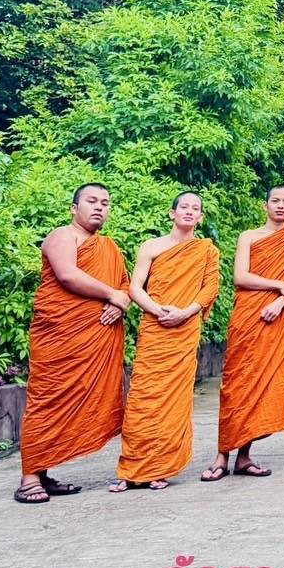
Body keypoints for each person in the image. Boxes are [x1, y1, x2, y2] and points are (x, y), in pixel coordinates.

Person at [15, 184, 130, 504]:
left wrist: (119, 302)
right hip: (60, 335)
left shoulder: (109, 247)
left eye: (105, 203)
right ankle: (28, 478)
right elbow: (67, 275)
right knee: (48, 399)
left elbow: (123, 284)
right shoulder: (62, 236)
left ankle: (44, 473)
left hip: (95, 335)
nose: (99, 207)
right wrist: (111, 295)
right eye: (92, 201)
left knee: (79, 401)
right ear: (73, 208)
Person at [109, 191, 219, 492]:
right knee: (143, 398)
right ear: (172, 213)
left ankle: (160, 468)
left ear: (200, 217)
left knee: (174, 400)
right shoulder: (152, 246)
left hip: (185, 329)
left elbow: (210, 287)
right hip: (156, 327)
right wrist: (158, 310)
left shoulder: (207, 250)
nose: (189, 211)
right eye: (184, 206)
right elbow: (135, 287)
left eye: (195, 208)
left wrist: (186, 312)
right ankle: (131, 469)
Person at [201, 186, 284, 482]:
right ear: (265, 205)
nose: (281, 206)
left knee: (262, 387)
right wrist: (279, 286)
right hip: (248, 317)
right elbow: (241, 277)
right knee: (236, 383)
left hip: (277, 320)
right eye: (275, 201)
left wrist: (280, 301)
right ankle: (221, 455)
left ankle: (244, 456)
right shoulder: (248, 237)